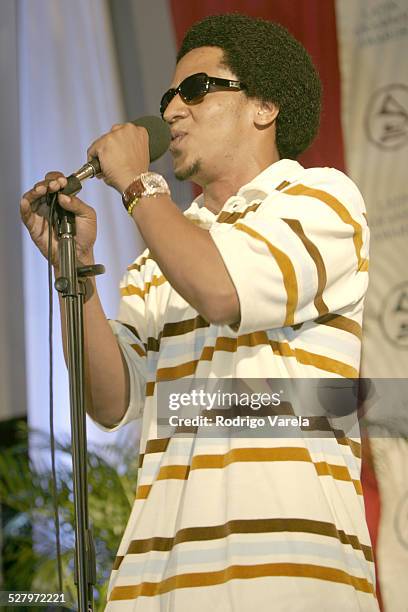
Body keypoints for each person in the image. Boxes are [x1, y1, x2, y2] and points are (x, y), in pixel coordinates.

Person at [20, 13, 379, 612]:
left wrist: (137, 181)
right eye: (168, 97)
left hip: (288, 580)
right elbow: (109, 402)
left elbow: (222, 289)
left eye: (195, 91)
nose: (172, 112)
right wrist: (75, 271)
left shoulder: (322, 198)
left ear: (264, 107)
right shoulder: (159, 256)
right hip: (158, 585)